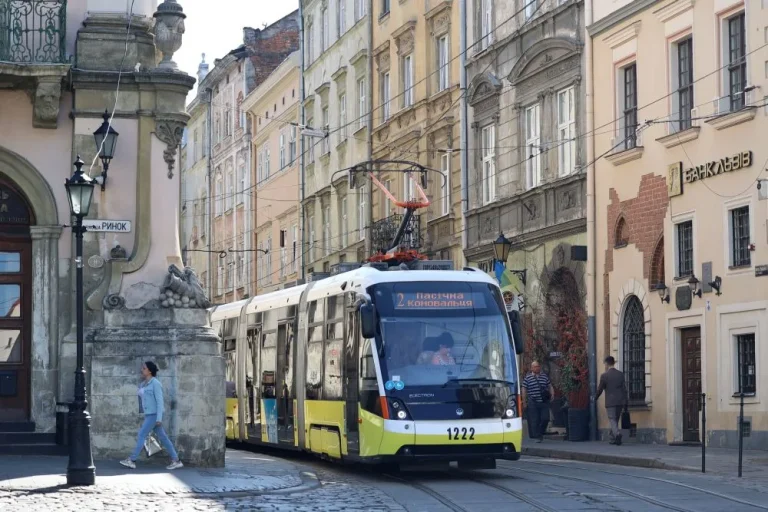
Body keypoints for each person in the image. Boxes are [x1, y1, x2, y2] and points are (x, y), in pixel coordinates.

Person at [120, 361, 183, 470]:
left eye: (144, 368)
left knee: (141, 435)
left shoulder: (155, 383)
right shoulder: (143, 383)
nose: (142, 370)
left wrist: (159, 418)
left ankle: (132, 460)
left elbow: (160, 402)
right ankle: (176, 460)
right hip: (149, 414)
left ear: (149, 371)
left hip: (154, 415)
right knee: (163, 438)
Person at [596, 355, 629, 445]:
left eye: (605, 364)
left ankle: (617, 434)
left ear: (606, 363)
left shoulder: (604, 375)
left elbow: (600, 389)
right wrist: (625, 401)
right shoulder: (620, 374)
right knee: (615, 420)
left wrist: (595, 397)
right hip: (620, 401)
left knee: (612, 419)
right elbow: (624, 389)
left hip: (610, 402)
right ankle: (612, 439)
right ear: (614, 363)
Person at [522, 361, 554, 443]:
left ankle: (540, 432)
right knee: (534, 420)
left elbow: (550, 386)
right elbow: (524, 389)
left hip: (543, 402)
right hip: (533, 402)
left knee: (545, 418)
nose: (537, 368)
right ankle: (537, 436)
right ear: (532, 368)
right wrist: (524, 402)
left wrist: (552, 394)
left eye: (538, 366)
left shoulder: (544, 377)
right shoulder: (528, 378)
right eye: (535, 366)